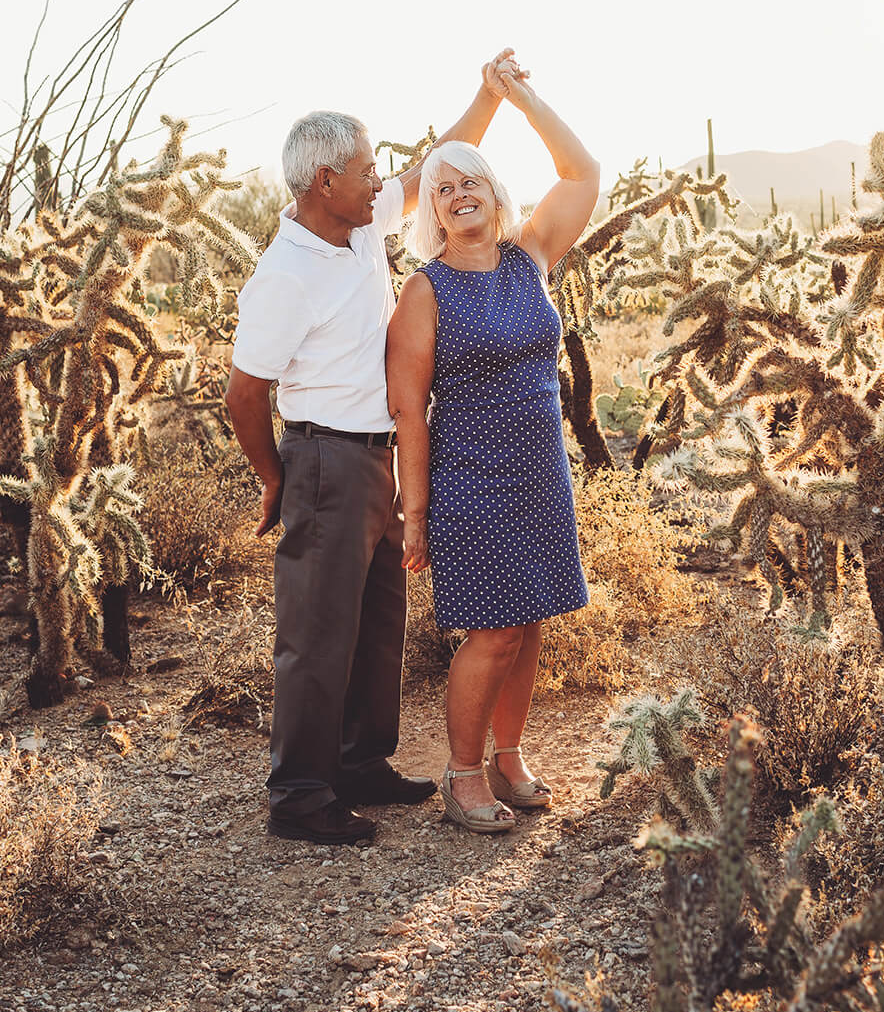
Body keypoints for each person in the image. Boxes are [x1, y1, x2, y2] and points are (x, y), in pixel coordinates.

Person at [225, 54, 517, 846]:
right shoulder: (285, 273)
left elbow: (432, 168)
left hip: (379, 454)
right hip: (324, 456)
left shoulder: (356, 226)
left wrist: (487, 95)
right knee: (318, 630)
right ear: (324, 181)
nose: (379, 176)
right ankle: (300, 793)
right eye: (364, 168)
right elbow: (243, 394)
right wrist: (273, 476)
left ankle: (359, 761)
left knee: (377, 617)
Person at [386, 62, 602, 833]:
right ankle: (462, 773)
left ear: (494, 191)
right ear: (432, 211)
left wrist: (521, 98)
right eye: (442, 187)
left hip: (541, 473)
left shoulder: (531, 256)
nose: (457, 192)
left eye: (470, 178)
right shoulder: (425, 289)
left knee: (533, 617)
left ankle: (509, 758)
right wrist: (415, 514)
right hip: (470, 479)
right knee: (494, 628)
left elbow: (583, 171)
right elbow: (409, 410)